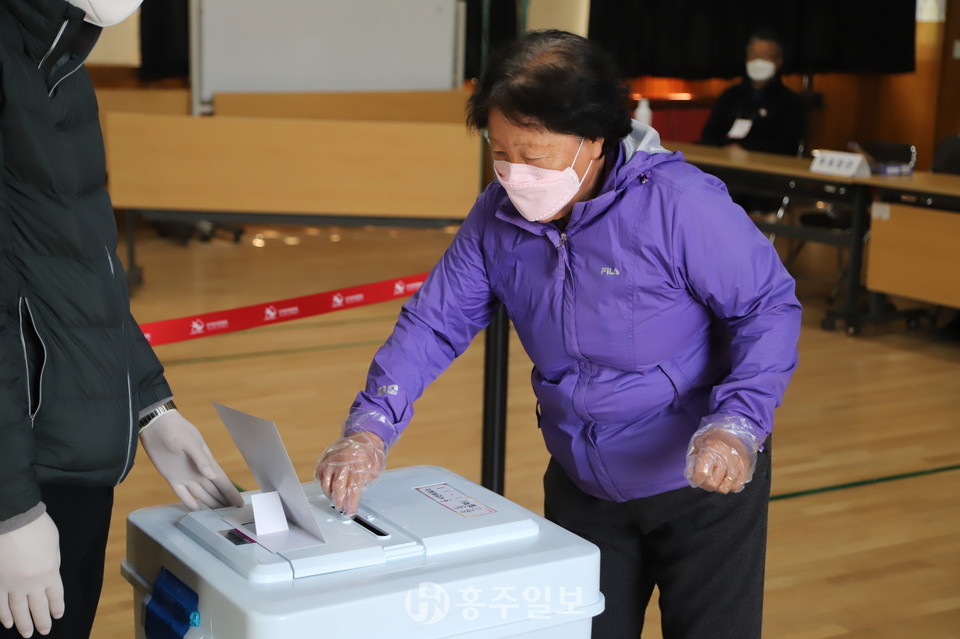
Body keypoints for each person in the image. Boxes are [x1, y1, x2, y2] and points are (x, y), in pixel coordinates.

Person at [316, 30, 801, 639]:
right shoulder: (495, 216)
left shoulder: (680, 204)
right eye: (501, 152)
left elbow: (768, 307)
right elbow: (434, 323)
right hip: (582, 481)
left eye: (535, 155)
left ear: (594, 140)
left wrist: (738, 423)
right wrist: (369, 427)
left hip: (698, 479)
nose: (516, 175)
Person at [0, 1, 243, 637]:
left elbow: (81, 272)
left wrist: (151, 407)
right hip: (20, 476)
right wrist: (12, 511)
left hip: (72, 460)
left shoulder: (63, 58)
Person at [699, 31, 806, 156]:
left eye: (766, 56)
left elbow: (788, 145)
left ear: (778, 61)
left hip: (765, 169)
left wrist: (746, 152)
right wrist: (725, 150)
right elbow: (708, 135)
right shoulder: (730, 95)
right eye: (753, 55)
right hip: (723, 164)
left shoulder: (790, 102)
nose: (758, 62)